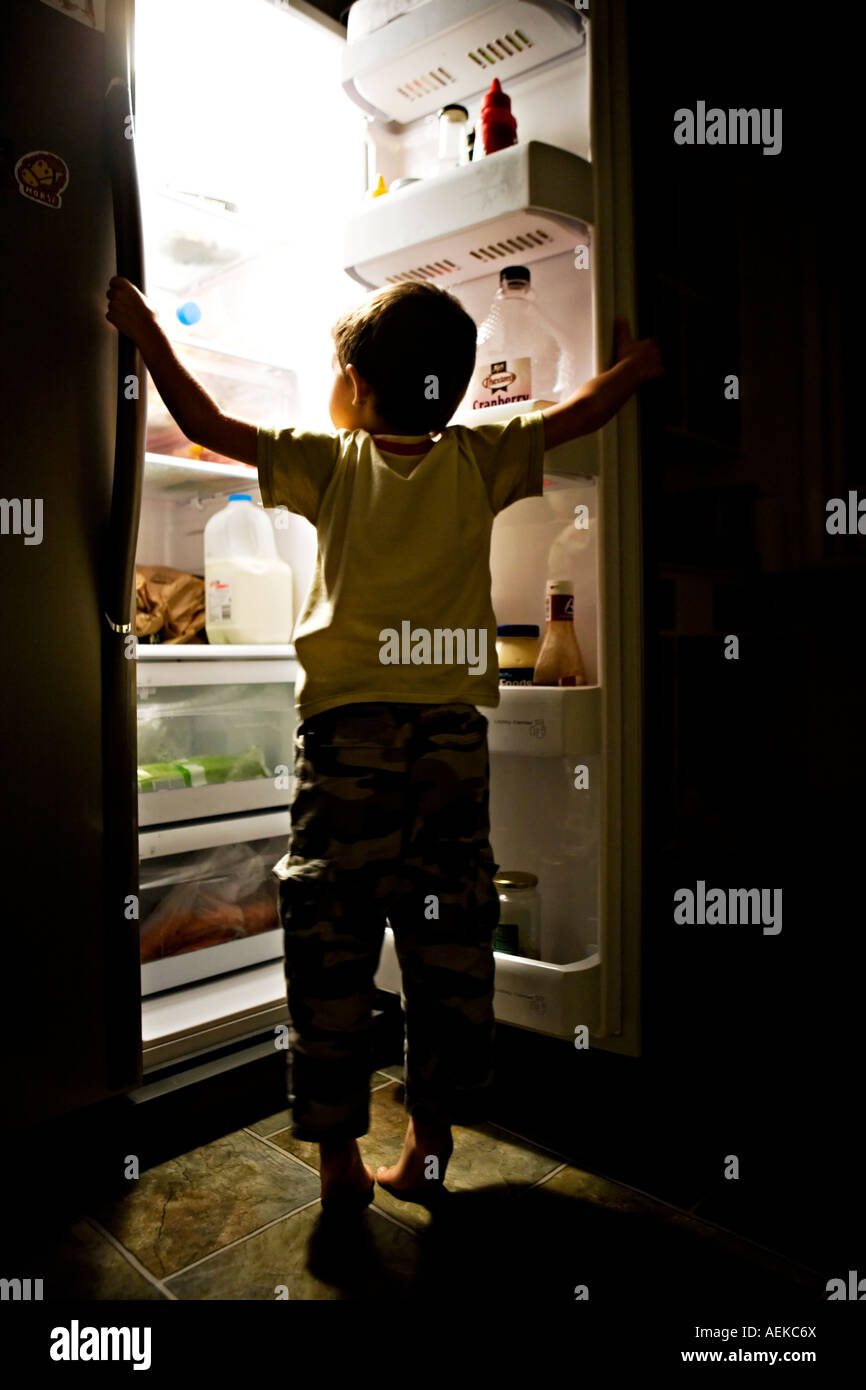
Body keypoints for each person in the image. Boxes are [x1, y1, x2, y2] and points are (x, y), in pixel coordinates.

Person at [106, 275, 662, 1215]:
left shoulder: (326, 462)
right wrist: (636, 367)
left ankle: (336, 1168)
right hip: (451, 746)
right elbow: (580, 411)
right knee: (447, 947)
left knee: (332, 946)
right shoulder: (480, 457)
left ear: (357, 387)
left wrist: (148, 329)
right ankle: (429, 1153)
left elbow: (202, 417)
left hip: (346, 747)